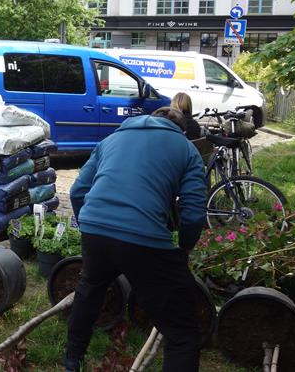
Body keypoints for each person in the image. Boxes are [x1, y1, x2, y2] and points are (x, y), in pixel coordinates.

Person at [64, 107, 207, 372]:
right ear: (181, 129)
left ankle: (72, 358)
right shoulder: (186, 149)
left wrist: (89, 226)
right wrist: (184, 247)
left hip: (95, 229)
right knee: (182, 330)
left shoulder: (111, 139)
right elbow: (194, 213)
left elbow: (78, 191)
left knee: (90, 290)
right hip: (144, 238)